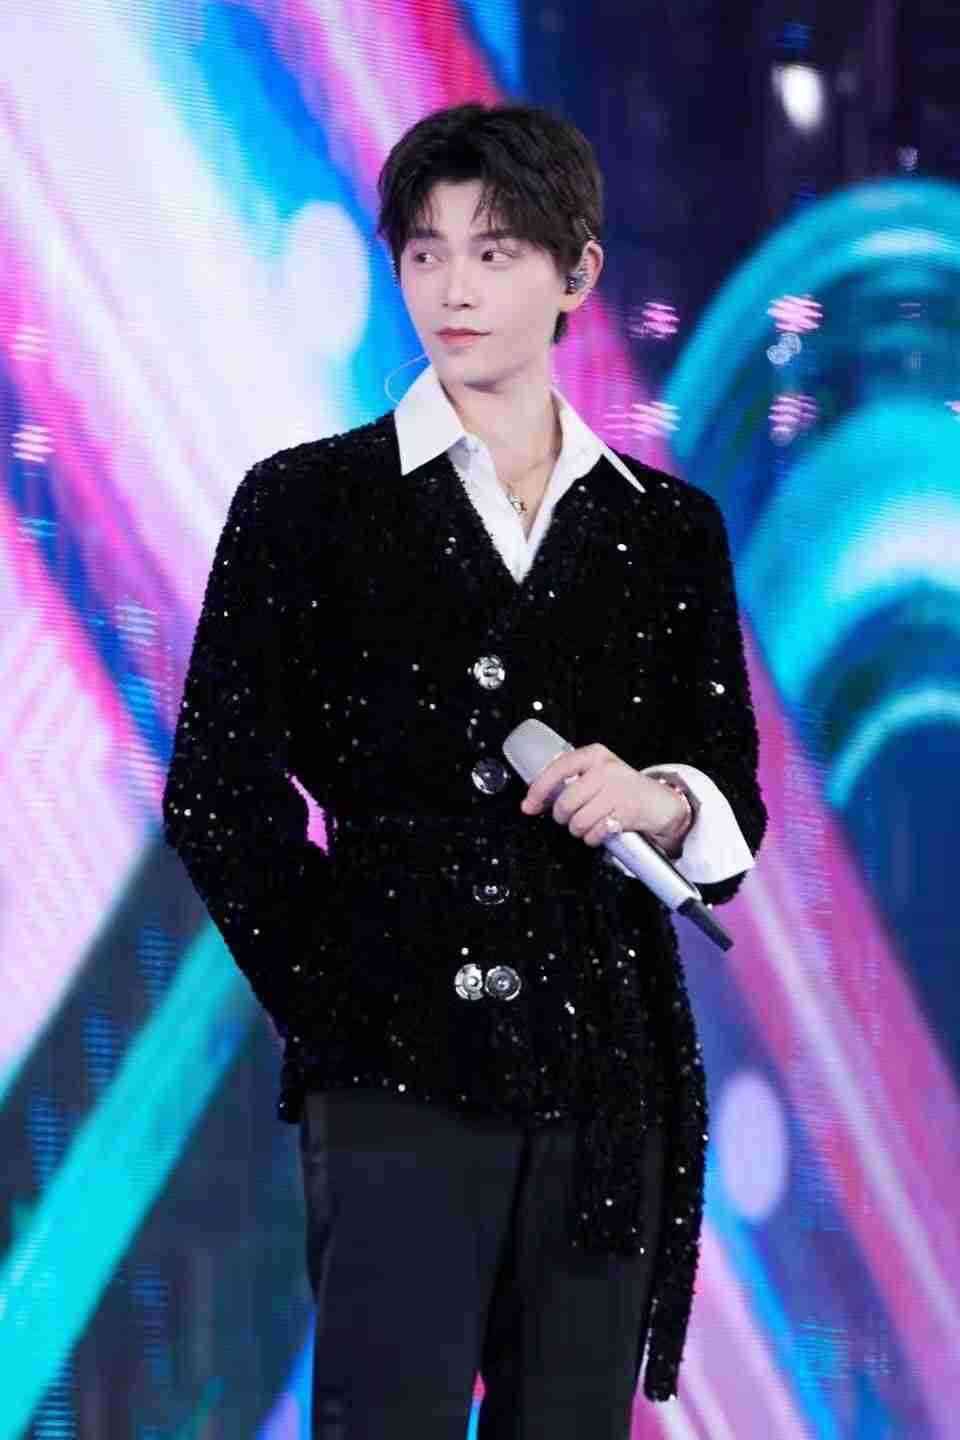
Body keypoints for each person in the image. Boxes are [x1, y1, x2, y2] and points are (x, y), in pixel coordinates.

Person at [161, 101, 767, 1439]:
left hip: (606, 1081)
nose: (454, 289)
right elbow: (215, 791)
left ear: (577, 273)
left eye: (495, 253)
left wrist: (658, 799)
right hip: (393, 1085)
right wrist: (343, 997)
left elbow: (730, 801)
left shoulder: (667, 532)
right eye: (425, 254)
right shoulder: (305, 505)